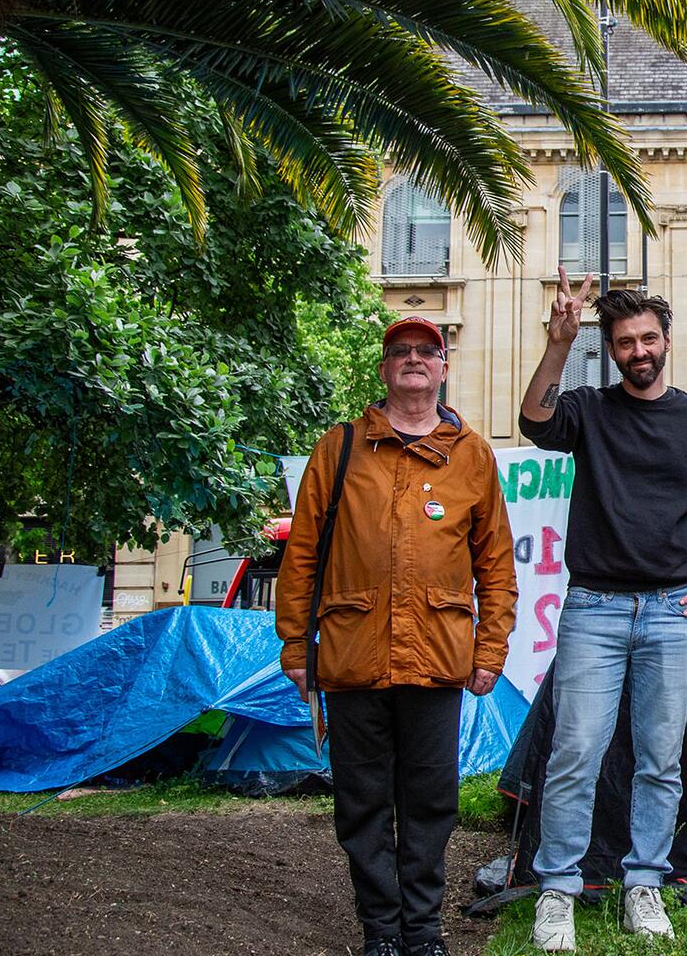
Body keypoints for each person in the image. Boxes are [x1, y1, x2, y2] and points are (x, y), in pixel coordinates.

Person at [518, 270, 687, 952]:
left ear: (666, 340)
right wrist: (560, 343)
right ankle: (558, 890)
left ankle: (643, 884)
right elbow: (535, 419)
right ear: (615, 350)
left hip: (674, 611)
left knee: (660, 758)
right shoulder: (589, 409)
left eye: (648, 337)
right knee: (574, 751)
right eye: (625, 341)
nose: (638, 349)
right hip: (593, 607)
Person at [275, 315, 518, 956]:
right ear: (384, 369)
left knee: (431, 804)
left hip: (437, 659)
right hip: (353, 656)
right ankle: (381, 932)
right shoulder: (341, 447)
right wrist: (295, 646)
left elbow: (495, 564)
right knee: (361, 804)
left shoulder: (473, 456)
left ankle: (423, 932)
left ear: (443, 368)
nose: (413, 359)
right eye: (400, 351)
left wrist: (490, 649)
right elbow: (302, 554)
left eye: (426, 351)